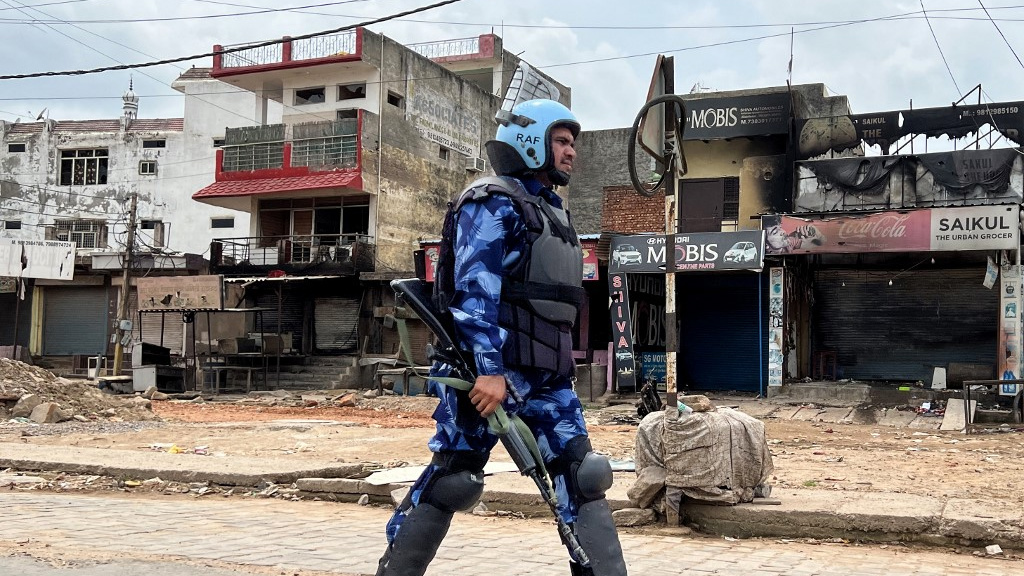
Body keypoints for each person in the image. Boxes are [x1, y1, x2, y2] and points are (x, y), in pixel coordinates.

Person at [375, 99, 627, 576]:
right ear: (530, 142)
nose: (572, 152)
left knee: (584, 477)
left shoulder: (553, 212)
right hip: (487, 375)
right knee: (455, 478)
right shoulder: (491, 201)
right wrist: (488, 370)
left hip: (548, 379)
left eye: (573, 143)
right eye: (562, 141)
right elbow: (476, 289)